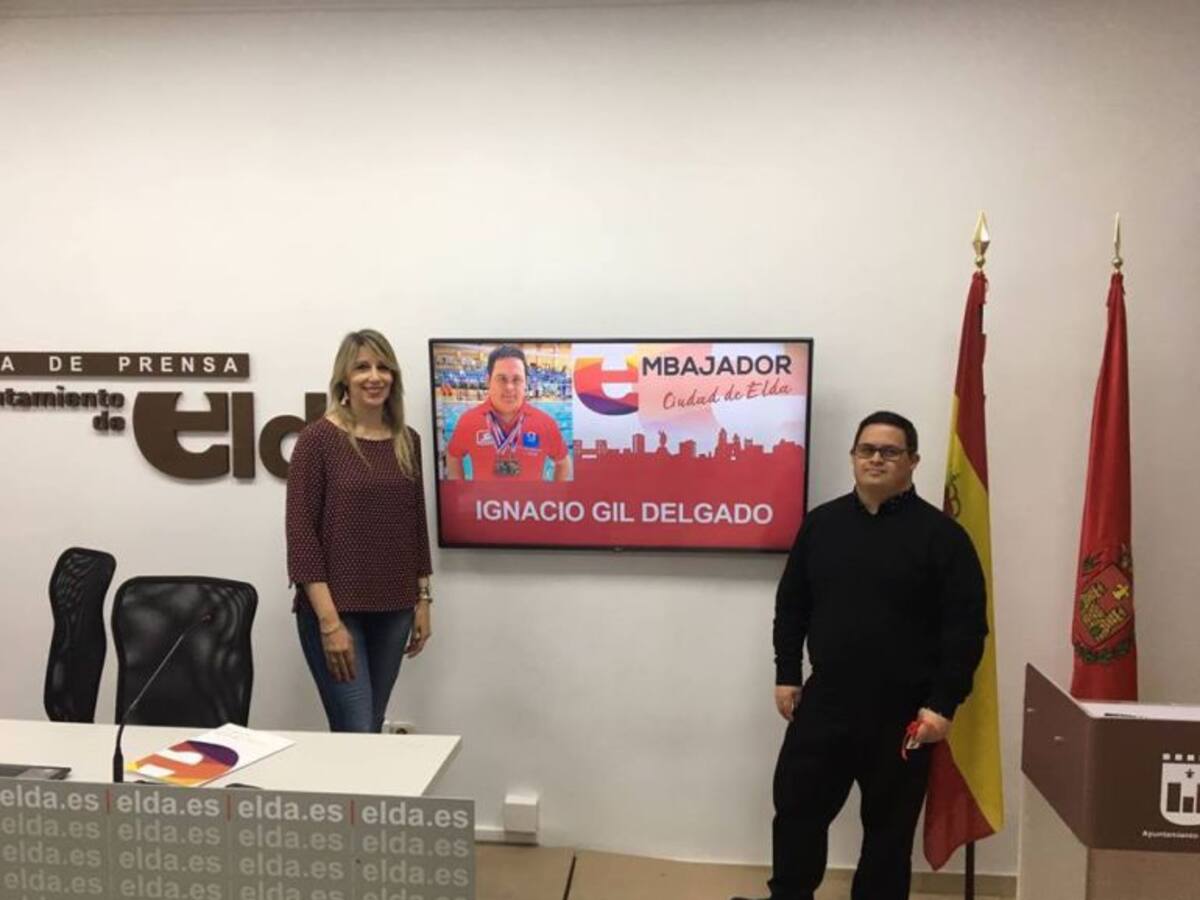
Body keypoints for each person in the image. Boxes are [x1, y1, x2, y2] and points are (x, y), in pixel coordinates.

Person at [736, 411, 987, 900]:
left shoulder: (943, 538)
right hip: (825, 701)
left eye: (890, 451)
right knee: (797, 811)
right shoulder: (821, 525)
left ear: (913, 461)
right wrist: (787, 674)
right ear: (853, 457)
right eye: (867, 449)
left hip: (904, 714)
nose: (876, 459)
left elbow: (966, 631)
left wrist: (942, 705)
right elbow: (792, 606)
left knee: (888, 833)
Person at [286, 329, 434, 733]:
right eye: (362, 367)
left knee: (370, 725)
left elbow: (416, 526)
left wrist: (423, 599)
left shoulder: (407, 441)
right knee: (356, 729)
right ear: (344, 379)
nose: (374, 377)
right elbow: (302, 537)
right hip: (336, 610)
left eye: (383, 367)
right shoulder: (317, 440)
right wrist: (329, 623)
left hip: (394, 607)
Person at [444, 344, 571, 481]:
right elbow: (453, 456)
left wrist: (555, 494)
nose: (509, 387)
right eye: (501, 379)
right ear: (488, 381)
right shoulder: (468, 421)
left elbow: (563, 463)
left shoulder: (546, 423)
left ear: (526, 383)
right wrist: (460, 491)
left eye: (516, 379)